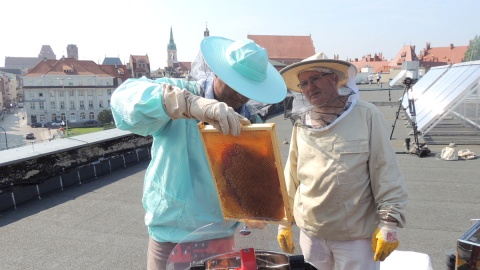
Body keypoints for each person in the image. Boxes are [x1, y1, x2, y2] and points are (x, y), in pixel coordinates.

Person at [110, 36, 287, 269]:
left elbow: (252, 183)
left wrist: (257, 206)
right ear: (219, 73)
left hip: (221, 236)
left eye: (248, 89)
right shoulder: (182, 93)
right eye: (236, 85)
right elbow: (122, 101)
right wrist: (188, 105)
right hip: (173, 236)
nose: (241, 96)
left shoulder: (250, 122)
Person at [277, 54, 408, 270]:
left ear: (335, 79)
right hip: (311, 233)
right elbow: (291, 174)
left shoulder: (367, 115)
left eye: (316, 79)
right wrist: (284, 220)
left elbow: (386, 170)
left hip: (355, 238)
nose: (310, 87)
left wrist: (389, 223)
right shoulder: (301, 123)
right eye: (304, 83)